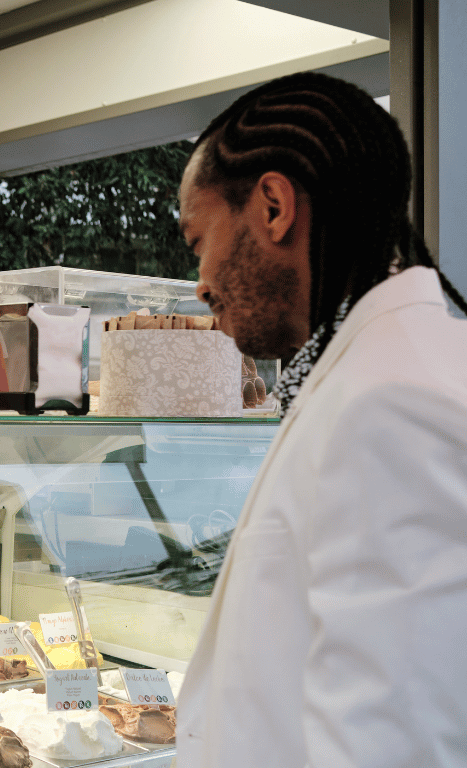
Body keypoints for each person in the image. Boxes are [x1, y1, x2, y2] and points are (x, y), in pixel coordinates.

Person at [176, 72, 467, 766]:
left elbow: (396, 742)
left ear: (273, 206)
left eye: (199, 242)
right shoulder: (375, 368)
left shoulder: (393, 400)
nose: (202, 281)